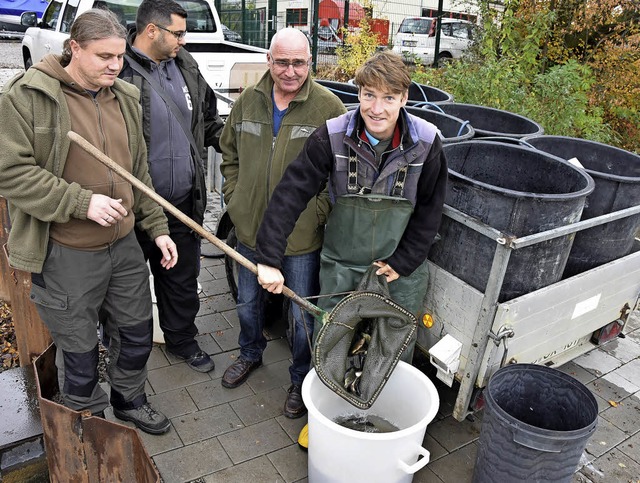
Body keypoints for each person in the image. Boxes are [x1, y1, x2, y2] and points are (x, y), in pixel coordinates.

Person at [0, 8, 178, 435]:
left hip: (123, 247)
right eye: (104, 57)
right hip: (66, 251)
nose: (115, 66)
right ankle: (88, 417)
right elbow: (11, 172)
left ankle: (129, 399)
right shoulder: (28, 97)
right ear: (74, 48)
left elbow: (139, 174)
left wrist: (157, 228)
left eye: (119, 56)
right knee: (79, 351)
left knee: (136, 331)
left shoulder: (124, 98)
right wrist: (82, 203)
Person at [255, 50, 448, 362]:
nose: (376, 108)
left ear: (404, 98)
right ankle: (325, 400)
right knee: (333, 340)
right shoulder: (330, 137)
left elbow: (430, 209)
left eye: (388, 98)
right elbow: (290, 195)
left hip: (398, 271)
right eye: (369, 95)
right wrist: (268, 257)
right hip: (342, 265)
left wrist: (404, 261)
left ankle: (386, 405)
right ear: (358, 92)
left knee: (391, 349)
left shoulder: (427, 143)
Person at [219, 27, 346, 418]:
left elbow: (338, 176)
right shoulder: (250, 101)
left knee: (300, 312)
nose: (290, 71)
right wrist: (235, 197)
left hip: (299, 238)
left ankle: (299, 377)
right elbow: (229, 152)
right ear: (269, 61)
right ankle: (250, 353)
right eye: (282, 62)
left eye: (299, 62)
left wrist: (316, 213)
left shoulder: (328, 108)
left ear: (311, 63)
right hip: (250, 229)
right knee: (246, 301)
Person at [118, 0, 224, 373]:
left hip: (182, 204)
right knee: (125, 289)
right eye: (178, 33)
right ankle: (125, 354)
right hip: (131, 209)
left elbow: (208, 120)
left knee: (181, 280)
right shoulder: (118, 71)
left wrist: (239, 145)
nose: (184, 39)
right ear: (152, 31)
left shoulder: (186, 65)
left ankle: (182, 340)